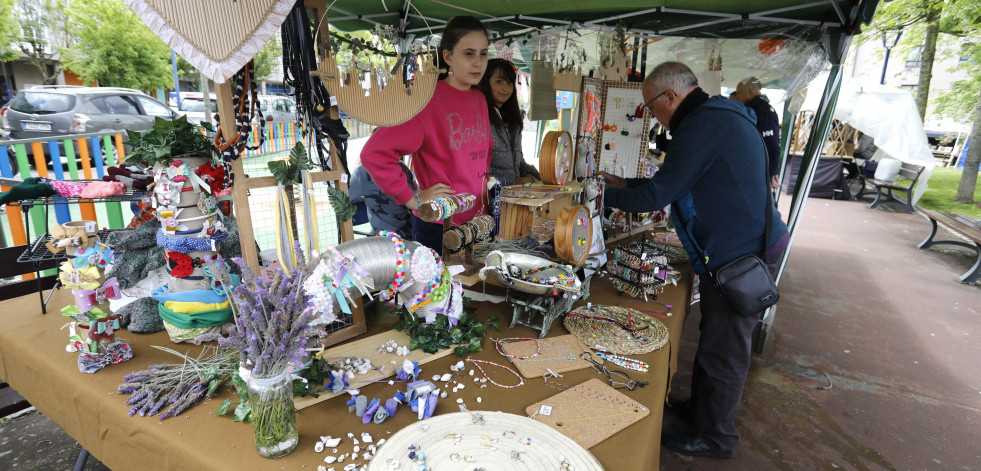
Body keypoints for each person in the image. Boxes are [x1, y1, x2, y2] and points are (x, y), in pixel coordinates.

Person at [598, 62, 790, 459]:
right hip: (739, 247)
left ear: (669, 97)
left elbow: (657, 196)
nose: (652, 117)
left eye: (651, 108)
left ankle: (716, 438)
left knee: (727, 349)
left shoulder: (703, 126)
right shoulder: (713, 116)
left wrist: (604, 195)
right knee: (716, 338)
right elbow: (678, 181)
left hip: (742, 256)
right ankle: (701, 412)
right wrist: (627, 185)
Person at [360, 16, 491, 253]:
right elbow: (374, 153)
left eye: (483, 53)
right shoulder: (428, 101)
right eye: (469, 53)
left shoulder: (479, 99)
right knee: (441, 290)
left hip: (477, 221)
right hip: (440, 225)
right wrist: (411, 198)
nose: (478, 63)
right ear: (449, 56)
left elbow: (483, 154)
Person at [477, 58, 541, 185]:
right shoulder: (479, 118)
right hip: (488, 196)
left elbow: (518, 160)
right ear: (485, 82)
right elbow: (476, 167)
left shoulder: (512, 120)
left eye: (510, 83)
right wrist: (513, 180)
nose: (505, 88)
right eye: (499, 81)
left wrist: (528, 173)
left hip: (511, 197)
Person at [733, 77, 781, 191]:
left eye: (739, 93)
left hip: (759, 169)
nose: (737, 97)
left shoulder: (762, 111)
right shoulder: (752, 108)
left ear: (749, 91)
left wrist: (772, 170)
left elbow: (771, 143)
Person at [348, 163, 416, 239]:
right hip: (410, 235)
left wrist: (365, 198)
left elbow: (345, 198)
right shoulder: (402, 166)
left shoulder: (362, 171)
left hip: (384, 237)